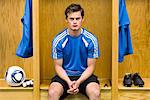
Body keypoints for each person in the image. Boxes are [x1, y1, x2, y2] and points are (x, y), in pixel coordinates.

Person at [48, 3, 100, 100]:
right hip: (65, 76)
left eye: (77, 18)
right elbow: (58, 66)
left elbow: (91, 66)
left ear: (82, 19)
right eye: (71, 19)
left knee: (95, 92)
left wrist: (78, 82)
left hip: (84, 76)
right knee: (52, 93)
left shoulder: (91, 39)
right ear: (66, 20)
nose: (75, 22)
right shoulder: (58, 40)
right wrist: (69, 82)